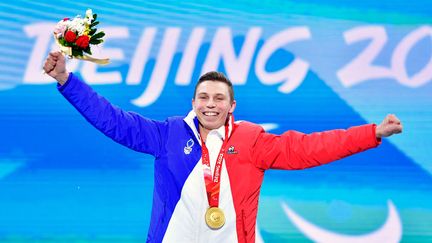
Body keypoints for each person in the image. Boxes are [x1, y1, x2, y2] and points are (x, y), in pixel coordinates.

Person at [44, 51, 402, 243]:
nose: (210, 104)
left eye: (219, 98)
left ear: (232, 106)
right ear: (194, 101)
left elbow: (311, 148)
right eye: (203, 97)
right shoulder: (168, 135)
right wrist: (66, 80)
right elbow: (113, 120)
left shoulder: (252, 141)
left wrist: (373, 133)